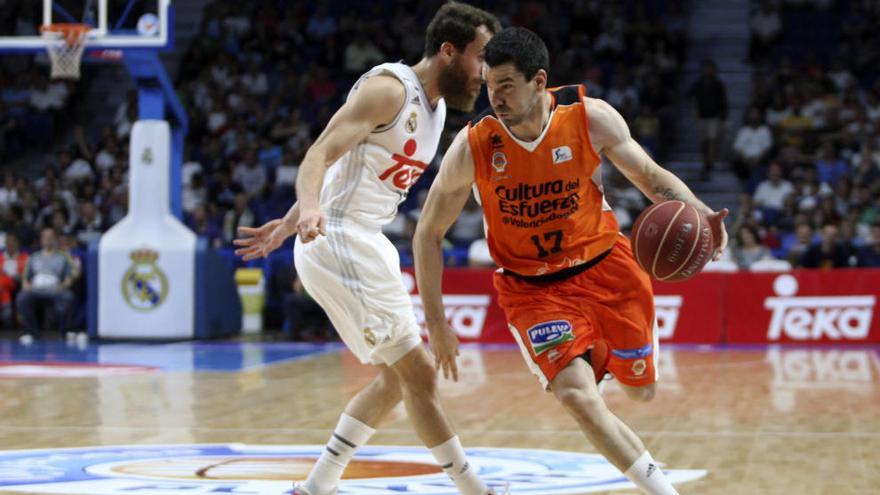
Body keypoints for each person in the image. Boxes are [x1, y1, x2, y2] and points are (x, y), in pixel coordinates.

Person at [413, 28, 728, 495]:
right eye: (489, 84)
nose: (494, 97)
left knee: (642, 392)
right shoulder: (474, 146)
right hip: (533, 291)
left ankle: (598, 352)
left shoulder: (589, 117)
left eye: (506, 85)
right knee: (577, 398)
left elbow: (649, 176)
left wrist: (701, 213)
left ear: (539, 81)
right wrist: (437, 323)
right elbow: (428, 234)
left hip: (608, 268)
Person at [233, 3, 503, 494]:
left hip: (362, 238)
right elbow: (321, 153)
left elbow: (347, 170)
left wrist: (288, 225)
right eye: (480, 57)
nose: (486, 72)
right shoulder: (389, 90)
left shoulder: (437, 110)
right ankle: (473, 490)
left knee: (396, 380)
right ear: (448, 51)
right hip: (339, 238)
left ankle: (316, 487)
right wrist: (309, 210)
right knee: (419, 372)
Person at [15, 227, 76, 343]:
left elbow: (72, 272)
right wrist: (25, 284)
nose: (48, 239)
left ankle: (65, 332)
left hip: (55, 289)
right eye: (45, 237)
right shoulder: (33, 257)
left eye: (50, 237)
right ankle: (32, 333)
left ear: (55, 239)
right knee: (22, 298)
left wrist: (66, 282)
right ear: (41, 240)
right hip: (35, 289)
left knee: (68, 297)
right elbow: (25, 276)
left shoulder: (63, 256)